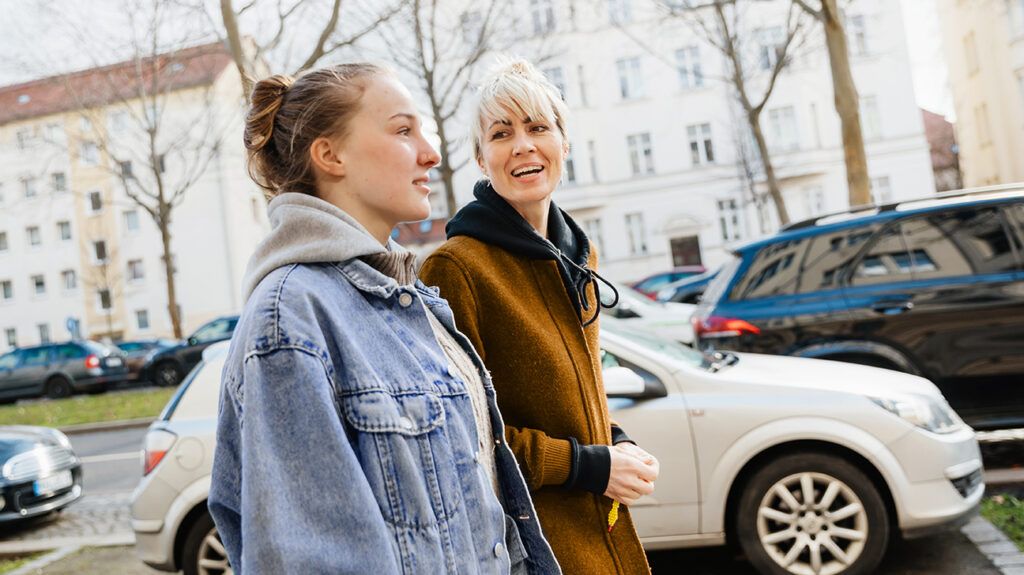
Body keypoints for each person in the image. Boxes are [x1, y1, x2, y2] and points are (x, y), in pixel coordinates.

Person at [207, 63, 559, 574]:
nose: (431, 153)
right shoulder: (291, 321)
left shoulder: (412, 301)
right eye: (402, 130)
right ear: (330, 155)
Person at [420, 58, 660, 574]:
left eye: (537, 127)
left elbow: (569, 396)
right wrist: (592, 466)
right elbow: (466, 437)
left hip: (603, 528)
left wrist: (614, 441)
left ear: (563, 144)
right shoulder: (456, 268)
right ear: (482, 160)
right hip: (532, 546)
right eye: (501, 133)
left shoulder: (579, 255)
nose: (523, 145)